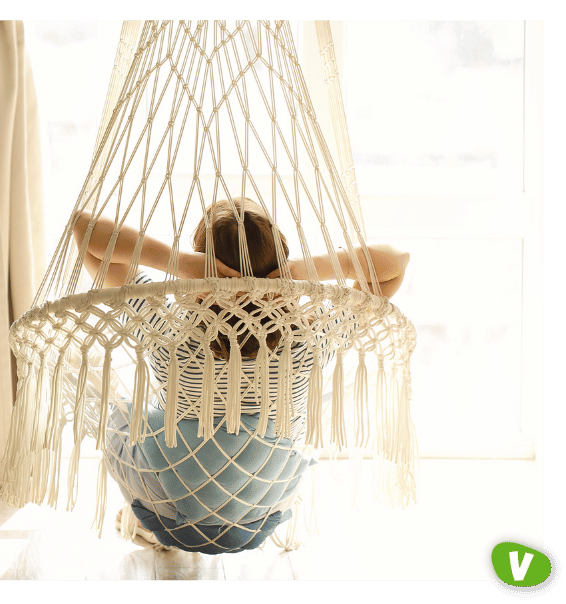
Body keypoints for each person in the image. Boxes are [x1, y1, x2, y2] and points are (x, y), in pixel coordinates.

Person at [71, 197, 410, 553]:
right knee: (277, 437)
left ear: (203, 270)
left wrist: (181, 263)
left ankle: (143, 520)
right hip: (258, 515)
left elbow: (84, 228)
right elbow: (395, 265)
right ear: (280, 263)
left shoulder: (167, 334)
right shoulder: (308, 343)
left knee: (124, 415)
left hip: (169, 516)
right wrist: (300, 272)